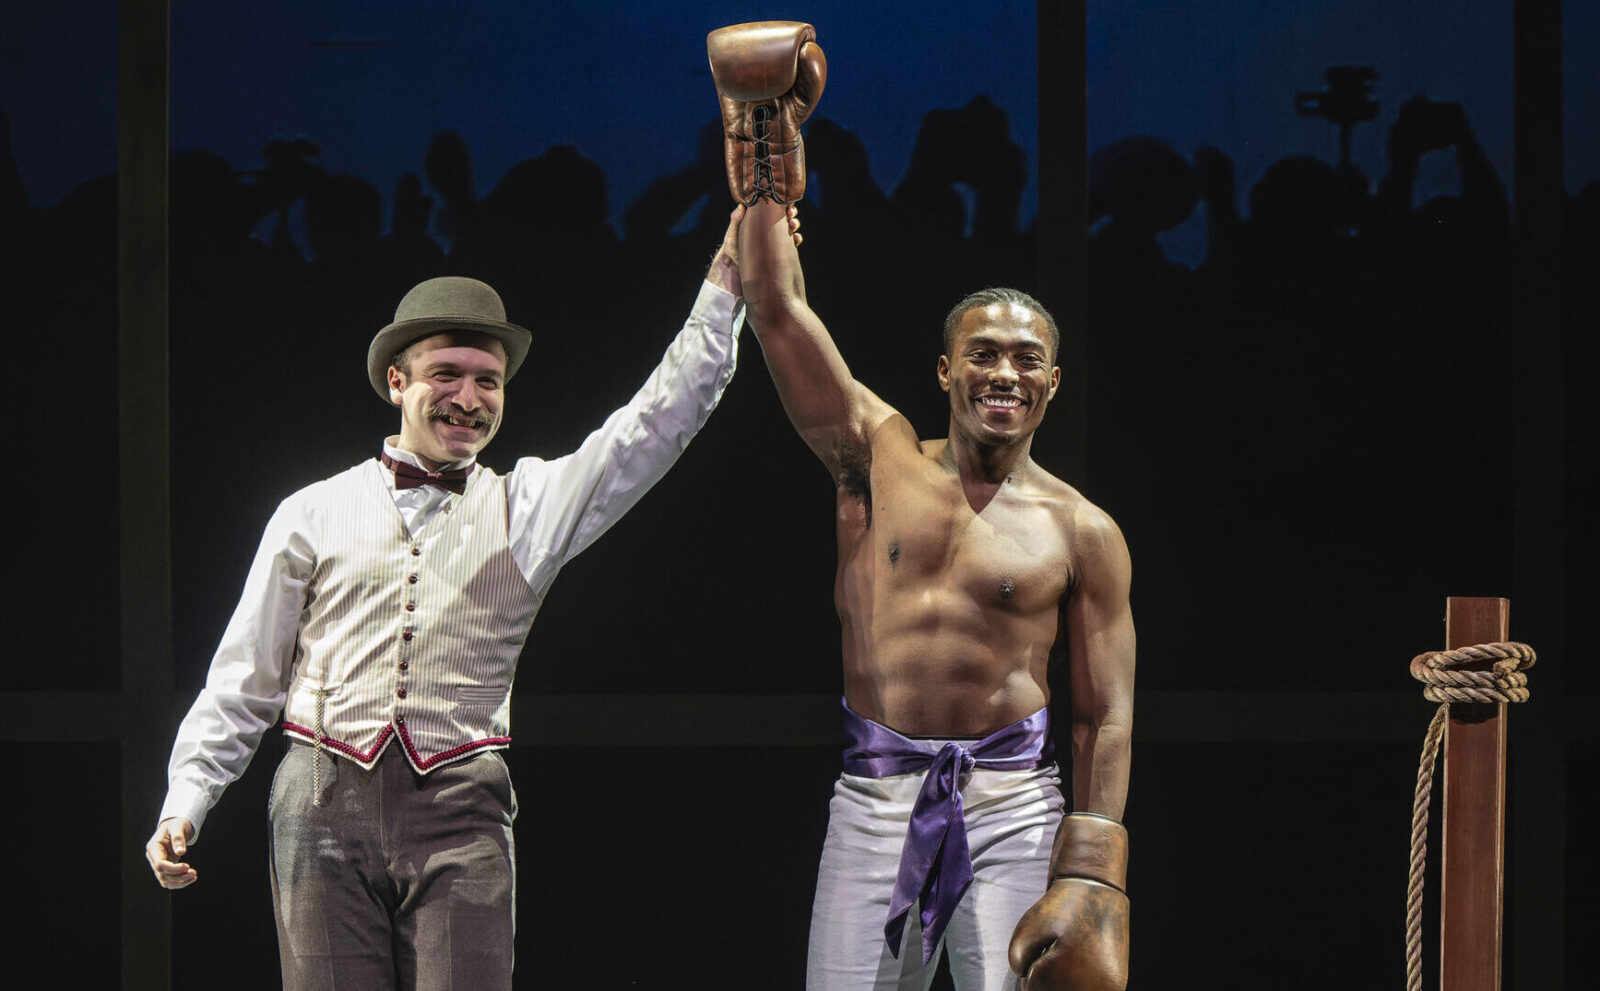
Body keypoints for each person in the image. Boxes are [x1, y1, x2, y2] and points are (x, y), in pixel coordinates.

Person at [144, 207, 793, 989]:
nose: (468, 396)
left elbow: (657, 420)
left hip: (462, 808)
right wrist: (187, 800)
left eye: (487, 380)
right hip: (319, 807)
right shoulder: (310, 511)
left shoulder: (528, 506)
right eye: (445, 375)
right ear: (398, 382)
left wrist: (727, 280)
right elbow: (244, 679)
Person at [700, 24, 1133, 987]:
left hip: (1015, 803)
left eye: (1026, 359)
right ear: (946, 370)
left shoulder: (1082, 529)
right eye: (983, 353)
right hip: (877, 793)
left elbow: (1105, 716)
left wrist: (1092, 871)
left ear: (1053, 383)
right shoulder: (873, 453)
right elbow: (776, 307)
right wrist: (765, 155)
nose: (1003, 373)